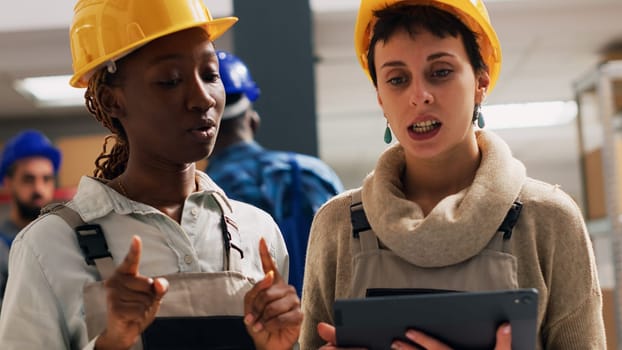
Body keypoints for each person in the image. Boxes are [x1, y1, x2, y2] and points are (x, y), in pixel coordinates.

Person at [300, 0, 606, 349]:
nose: (419, 96)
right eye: (397, 79)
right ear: (381, 99)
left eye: (440, 72)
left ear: (480, 81)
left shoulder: (549, 218)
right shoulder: (337, 225)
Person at [0, 1, 302, 349]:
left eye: (210, 74)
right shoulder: (48, 246)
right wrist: (110, 342)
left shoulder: (257, 232)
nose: (202, 98)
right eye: (171, 80)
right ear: (113, 101)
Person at [207, 50, 344, 296]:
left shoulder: (207, 194)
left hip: (255, 331)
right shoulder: (316, 173)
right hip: (328, 329)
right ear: (253, 122)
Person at [0, 129, 61, 310]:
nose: (39, 189)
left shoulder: (66, 239)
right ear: (9, 183)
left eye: (46, 179)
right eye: (29, 179)